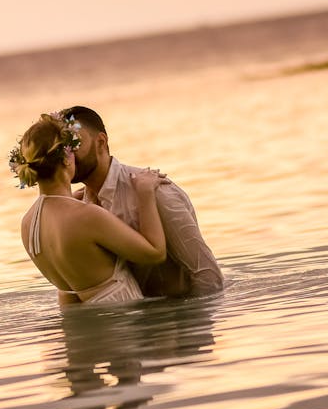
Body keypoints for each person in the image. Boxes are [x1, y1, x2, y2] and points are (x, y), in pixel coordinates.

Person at [62, 105, 224, 298]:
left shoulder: (157, 191)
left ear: (101, 142)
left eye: (74, 144)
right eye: (61, 148)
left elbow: (208, 277)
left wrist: (190, 325)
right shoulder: (79, 207)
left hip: (176, 320)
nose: (67, 155)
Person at [10, 112, 170, 306]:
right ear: (66, 159)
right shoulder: (86, 216)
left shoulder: (28, 223)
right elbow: (155, 253)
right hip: (123, 328)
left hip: (78, 333)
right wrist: (145, 194)